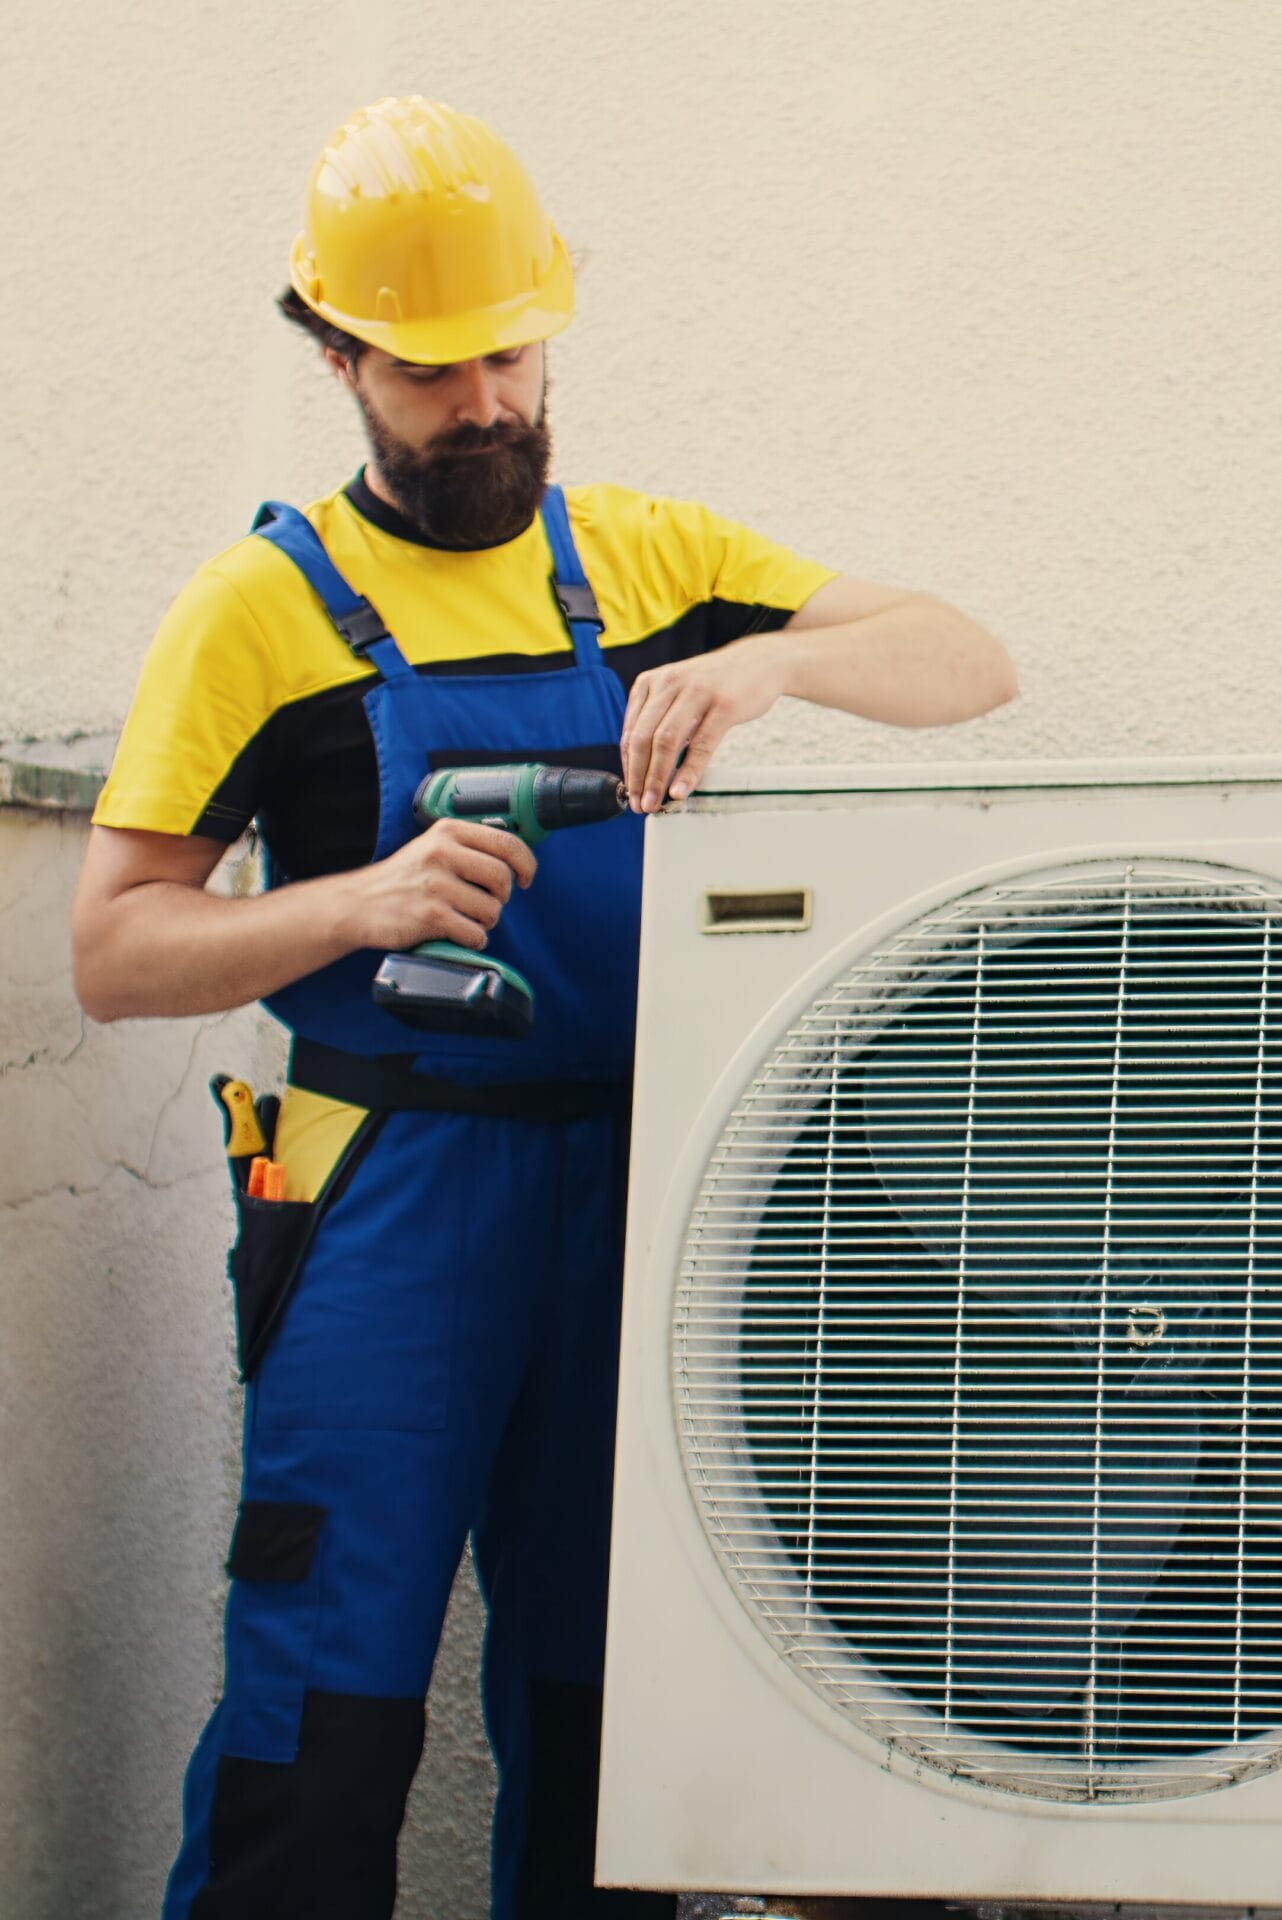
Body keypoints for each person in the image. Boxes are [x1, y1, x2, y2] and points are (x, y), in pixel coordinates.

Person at [68, 96, 1016, 1920]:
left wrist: (766, 662)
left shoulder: (647, 561)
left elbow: (968, 662)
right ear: (344, 357)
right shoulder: (253, 611)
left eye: (511, 351)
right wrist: (350, 903)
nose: (487, 403)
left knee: (617, 1734)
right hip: (387, 1203)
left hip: (651, 1204)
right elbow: (114, 952)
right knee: (322, 1718)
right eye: (434, 373)